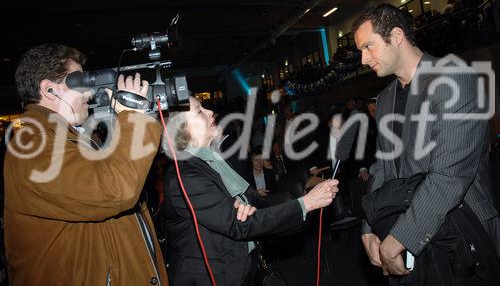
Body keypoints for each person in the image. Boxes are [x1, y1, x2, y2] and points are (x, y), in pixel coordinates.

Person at [353, 4, 500, 283]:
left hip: (462, 234)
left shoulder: (454, 79)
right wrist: (368, 227)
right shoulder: (384, 99)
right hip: (412, 240)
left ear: (396, 36)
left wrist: (399, 238)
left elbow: (450, 176)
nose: (363, 59)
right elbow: (383, 167)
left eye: (368, 47)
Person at [3, 44, 168, 285]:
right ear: (49, 90)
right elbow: (116, 190)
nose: (89, 94)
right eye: (81, 82)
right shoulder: (32, 148)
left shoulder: (81, 140)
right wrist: (133, 118)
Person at [162, 96, 339, 285]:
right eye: (199, 111)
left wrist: (303, 200)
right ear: (183, 131)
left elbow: (257, 204)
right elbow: (238, 225)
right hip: (215, 277)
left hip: (246, 266)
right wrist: (305, 204)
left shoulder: (213, 160)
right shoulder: (186, 176)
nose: (210, 112)